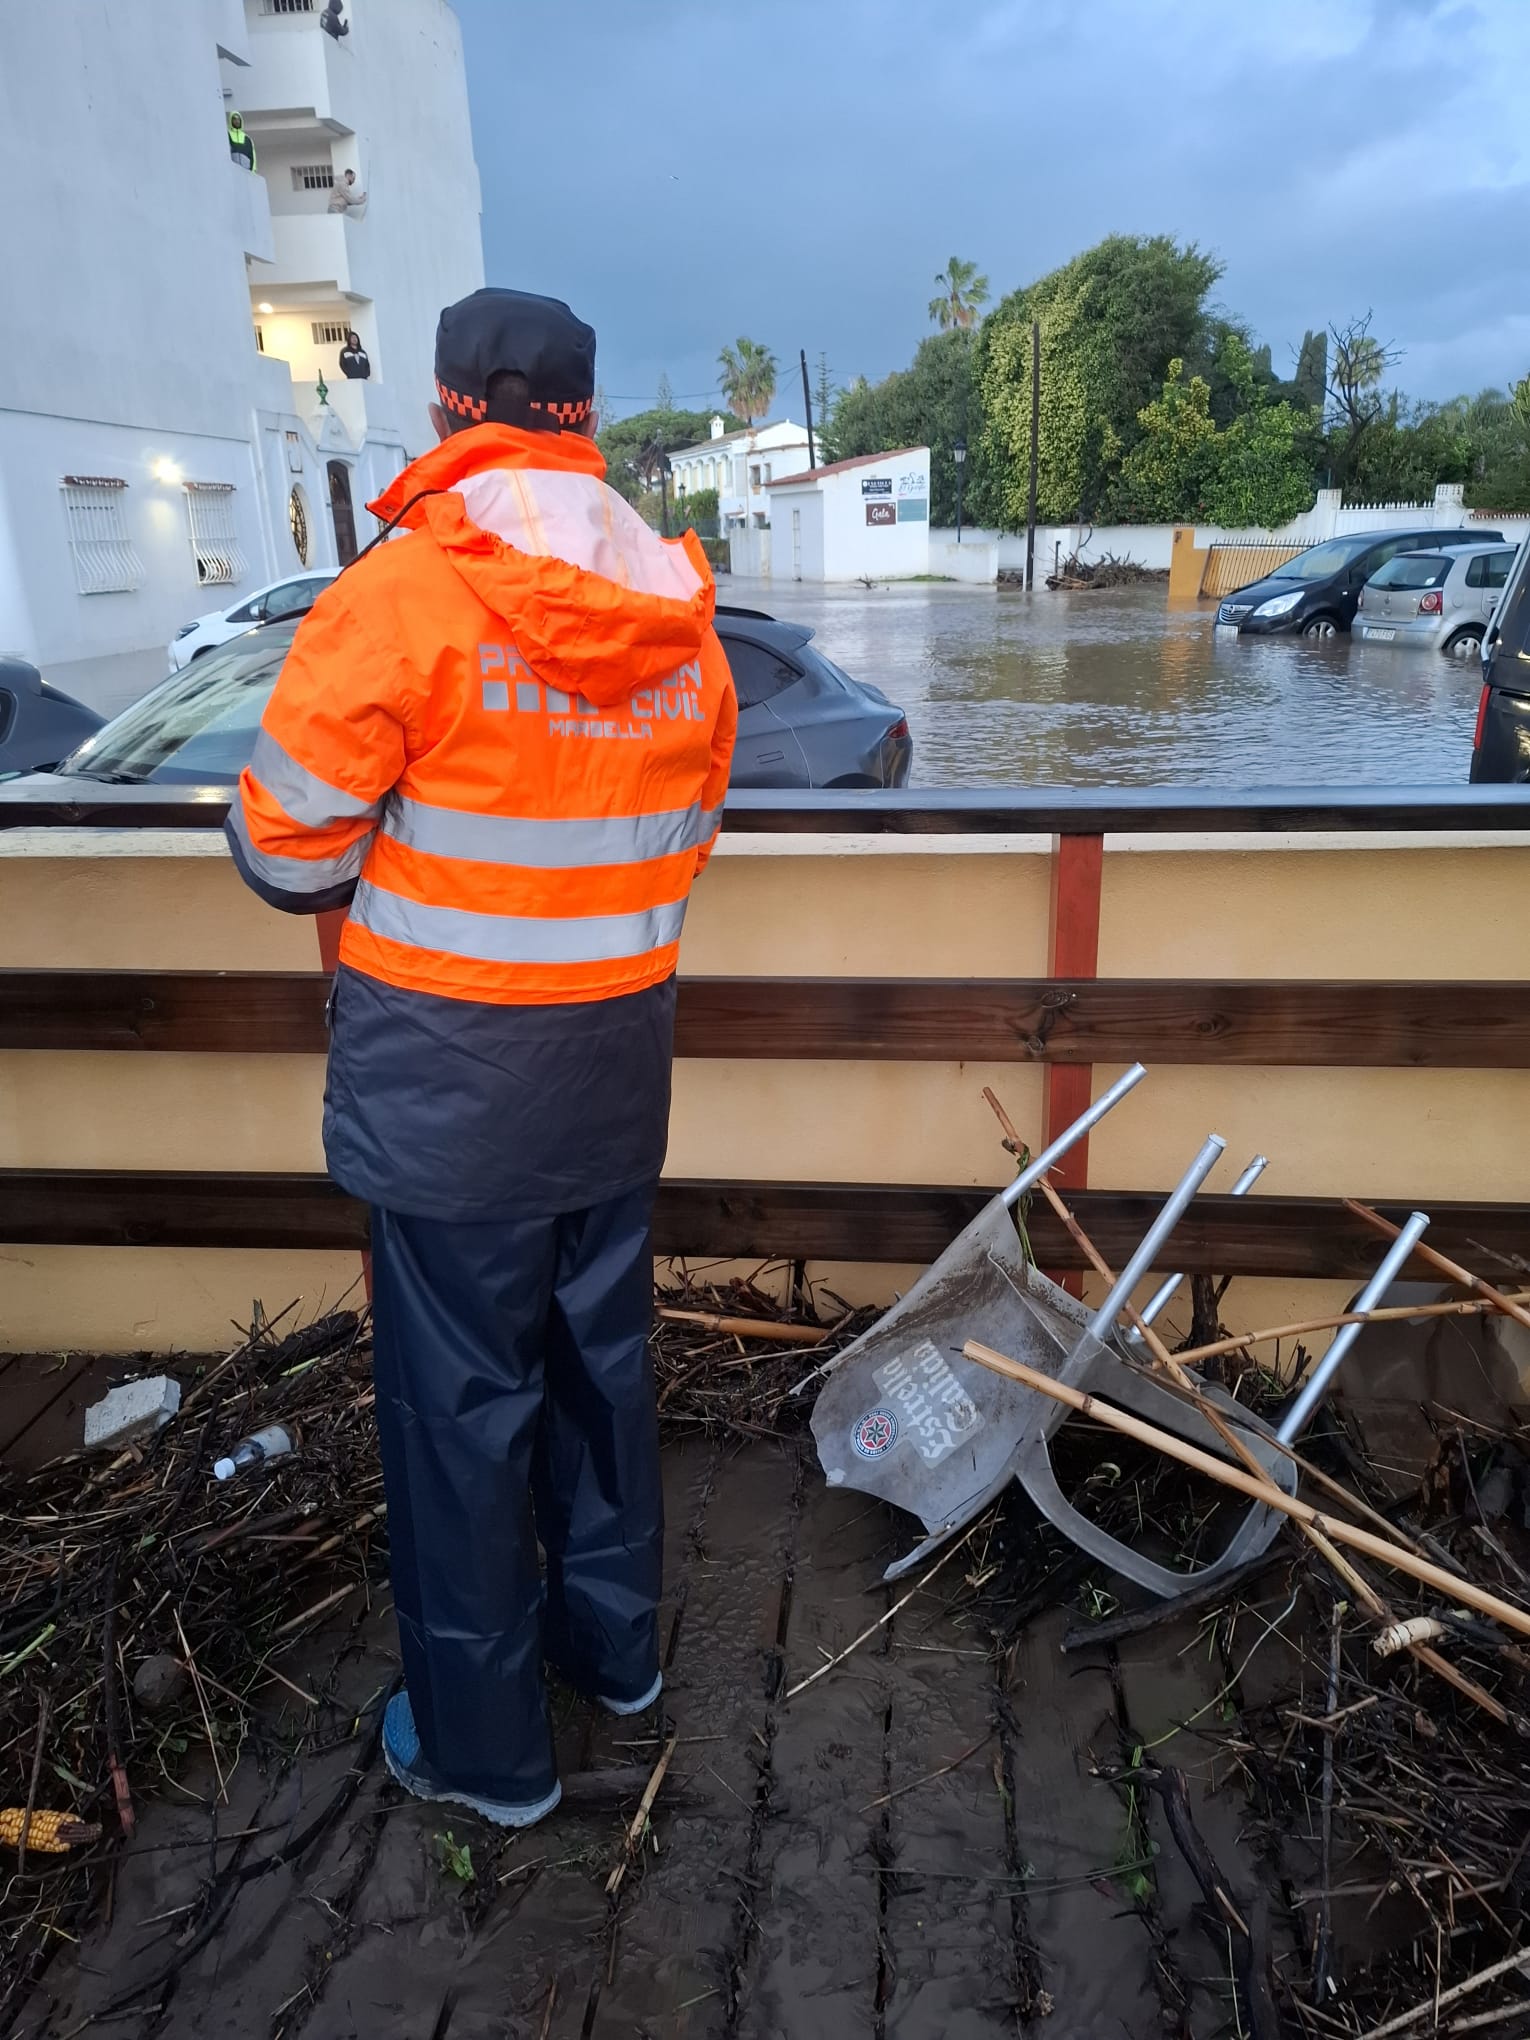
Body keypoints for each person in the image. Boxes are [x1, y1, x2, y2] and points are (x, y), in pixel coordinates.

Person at [224, 287, 737, 1829]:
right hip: (613, 1059)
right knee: (600, 1364)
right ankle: (618, 1663)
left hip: (452, 1083)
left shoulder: (401, 593)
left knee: (457, 1414)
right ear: (580, 413)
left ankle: (485, 1754)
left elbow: (281, 848)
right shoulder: (674, 603)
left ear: (451, 407)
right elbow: (682, 840)